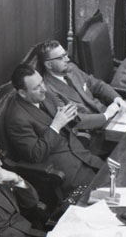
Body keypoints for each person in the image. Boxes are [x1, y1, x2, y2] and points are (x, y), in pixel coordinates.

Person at [6, 63, 103, 193]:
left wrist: (71, 115)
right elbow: (35, 155)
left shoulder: (45, 93)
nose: (43, 89)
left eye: (41, 82)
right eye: (36, 87)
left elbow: (66, 119)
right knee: (101, 190)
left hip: (80, 151)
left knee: (114, 174)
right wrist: (55, 126)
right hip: (62, 168)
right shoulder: (17, 119)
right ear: (22, 93)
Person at [37, 40, 126, 154]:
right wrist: (106, 115)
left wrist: (117, 98)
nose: (67, 59)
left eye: (65, 54)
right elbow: (74, 120)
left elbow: (97, 85)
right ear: (48, 64)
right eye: (61, 58)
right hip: (93, 134)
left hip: (110, 117)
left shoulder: (71, 68)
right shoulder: (48, 90)